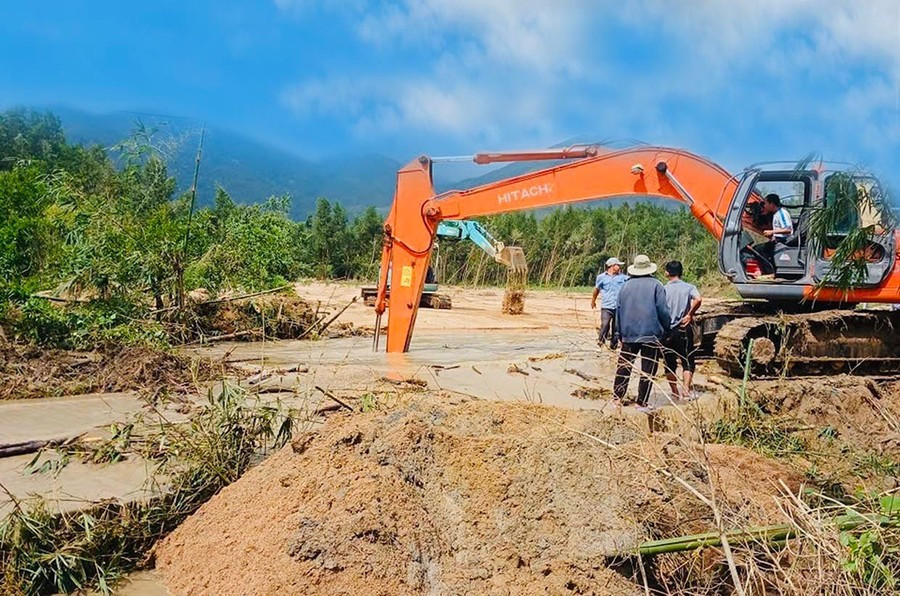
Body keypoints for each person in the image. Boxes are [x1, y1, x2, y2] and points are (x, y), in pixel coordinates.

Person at [613, 254, 671, 413]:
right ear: (649, 269)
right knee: (648, 368)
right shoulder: (657, 285)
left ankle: (617, 398)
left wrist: (618, 333)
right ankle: (641, 402)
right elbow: (663, 311)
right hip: (650, 333)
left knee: (624, 365)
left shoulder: (625, 286)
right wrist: (667, 329)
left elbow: (618, 311)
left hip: (629, 333)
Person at [662, 260, 702, 401]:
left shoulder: (663, 289)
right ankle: (685, 390)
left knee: (669, 363)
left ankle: (674, 392)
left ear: (667, 273)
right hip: (683, 328)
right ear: (681, 272)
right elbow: (698, 299)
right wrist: (689, 314)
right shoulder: (689, 287)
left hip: (667, 331)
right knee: (687, 361)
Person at [748, 194, 793, 274]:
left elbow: (788, 229)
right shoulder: (776, 214)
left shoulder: (782, 213)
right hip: (777, 240)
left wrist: (772, 232)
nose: (764, 206)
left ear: (772, 204)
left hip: (782, 241)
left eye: (765, 203)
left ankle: (769, 272)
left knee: (758, 249)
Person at [590, 257, 628, 349]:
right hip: (606, 306)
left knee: (616, 327)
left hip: (618, 306)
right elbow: (596, 290)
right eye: (617, 265)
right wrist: (593, 301)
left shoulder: (623, 277)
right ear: (611, 266)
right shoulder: (601, 277)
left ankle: (613, 346)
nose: (619, 267)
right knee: (605, 324)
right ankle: (600, 342)